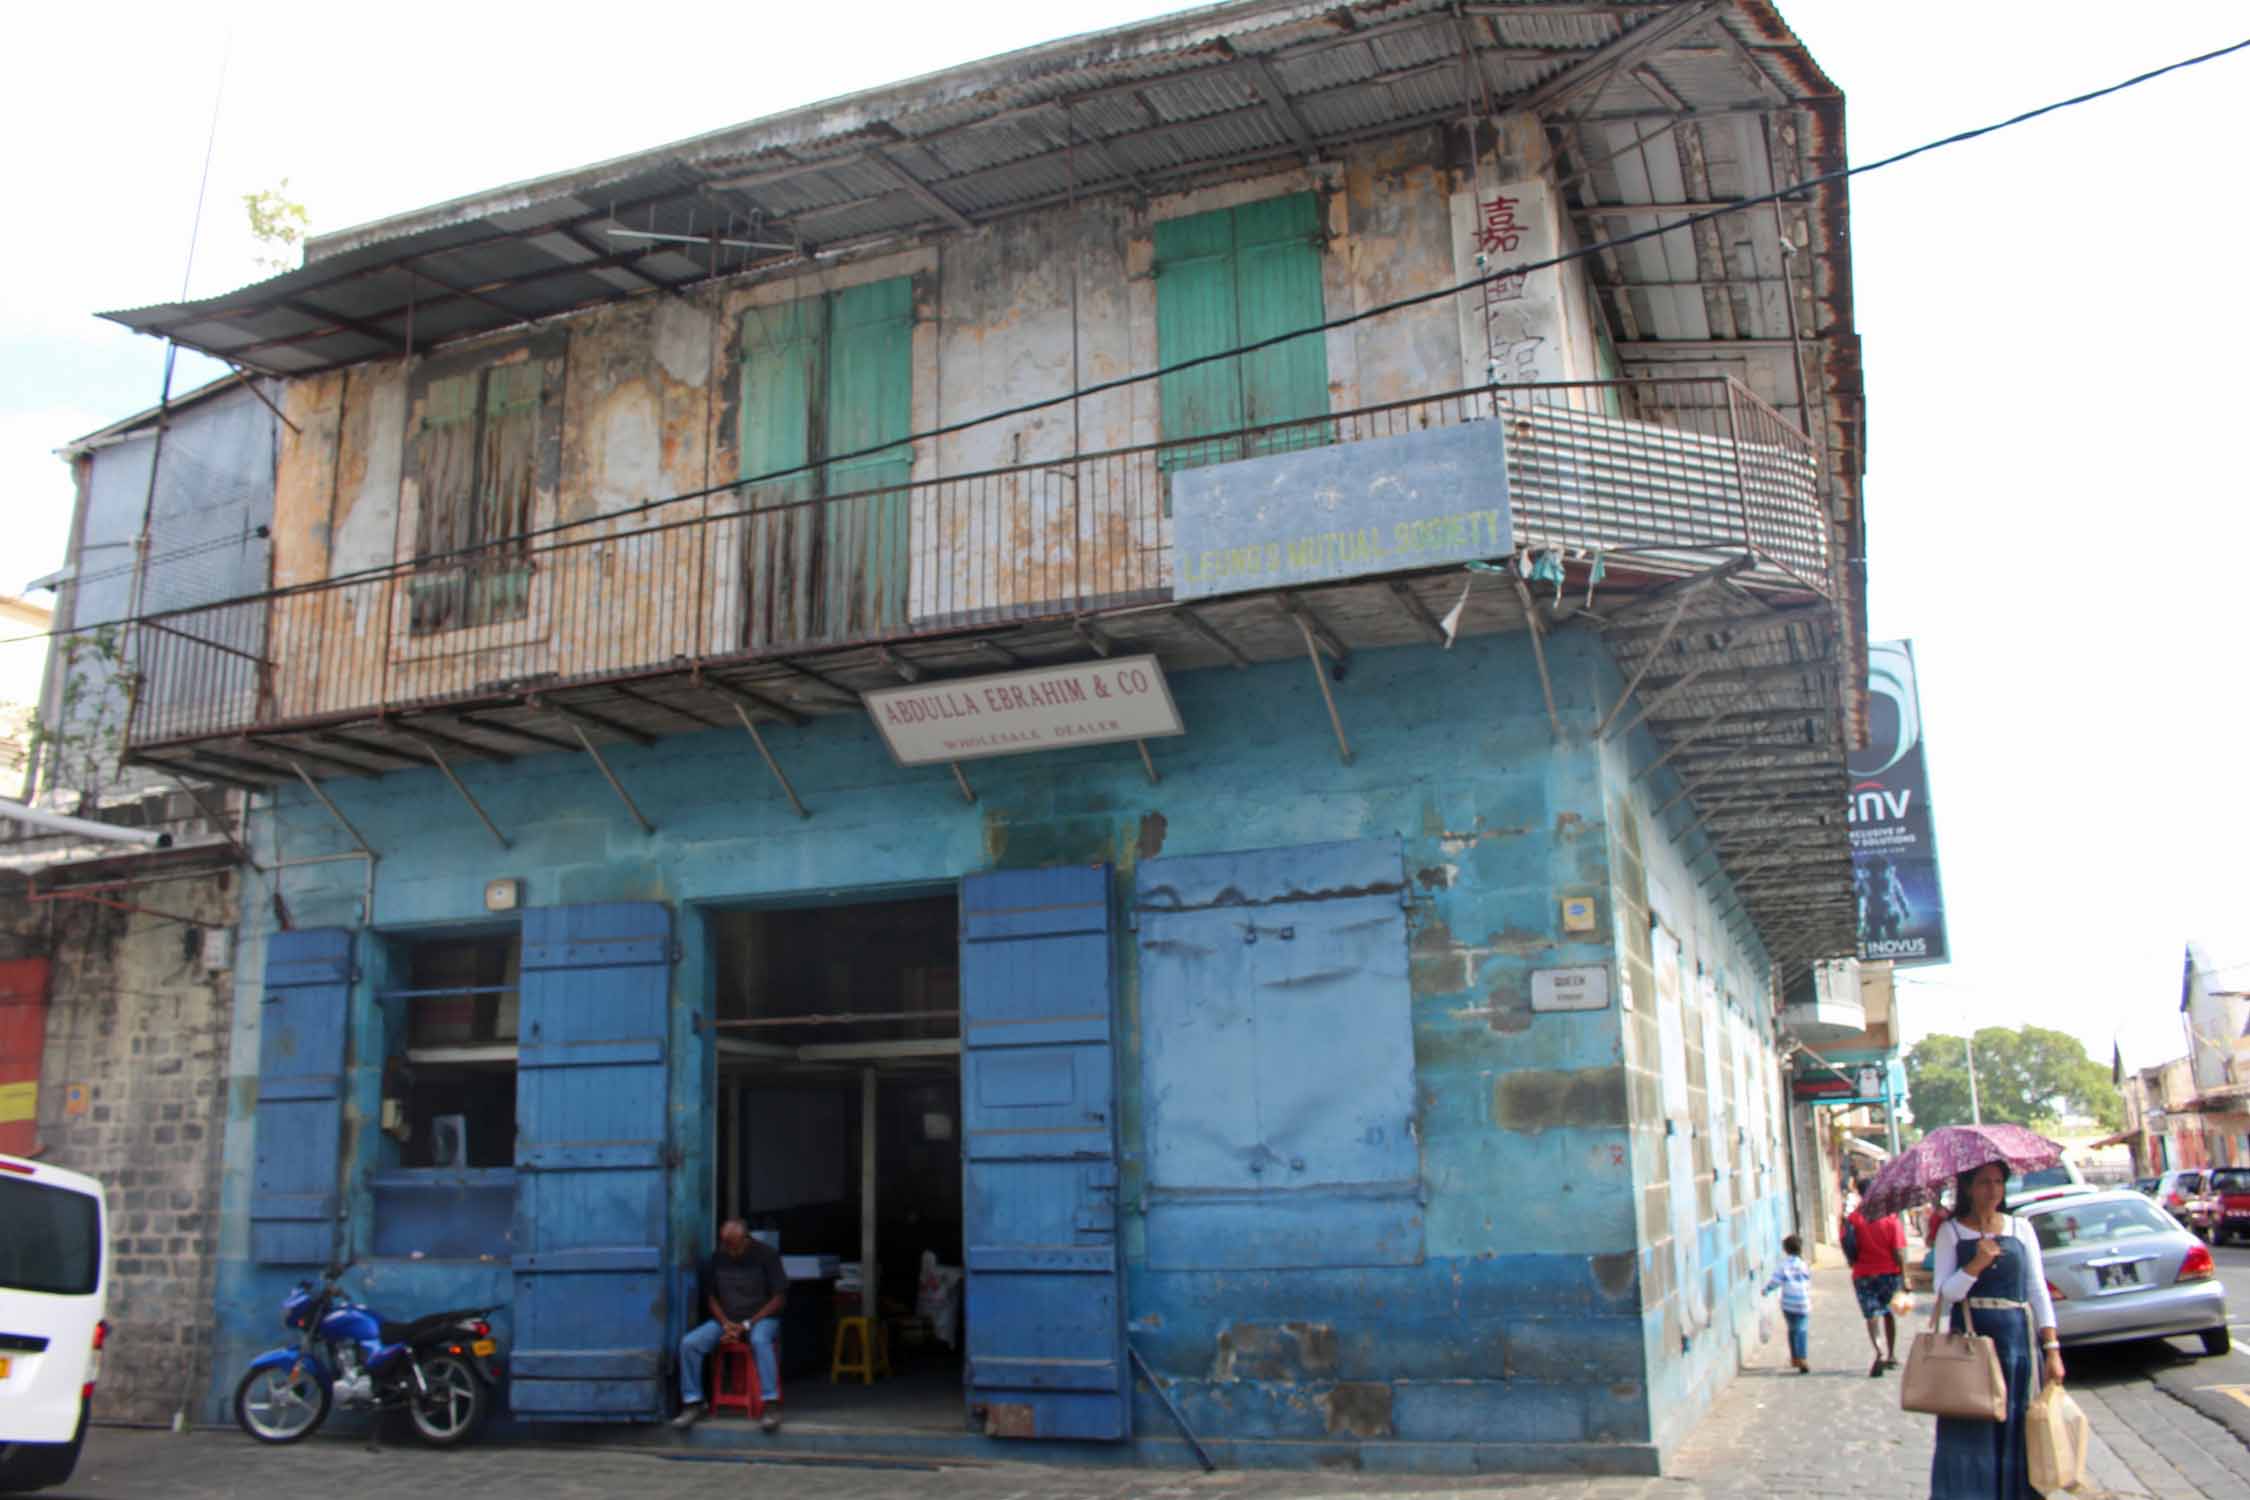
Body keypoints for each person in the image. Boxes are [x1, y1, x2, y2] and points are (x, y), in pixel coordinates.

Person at [1928, 1160, 2065, 1499]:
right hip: (1971, 1346)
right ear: (1969, 1189)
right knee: (1973, 1430)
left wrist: (2052, 1349)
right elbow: (1946, 1294)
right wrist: (1975, 1265)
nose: (1992, 1191)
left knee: (2018, 1428)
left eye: (1998, 1182)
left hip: (2016, 1344)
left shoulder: (2020, 1229)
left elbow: (2037, 1290)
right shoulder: (1952, 1232)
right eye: (1984, 1183)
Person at [673, 1219, 788, 1432]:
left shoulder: (767, 1255)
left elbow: (778, 1299)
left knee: (760, 1340)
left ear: (746, 1239)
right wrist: (726, 1323)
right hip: (726, 1321)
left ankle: (771, 1405)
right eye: (727, 1245)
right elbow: (711, 1298)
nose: (731, 1251)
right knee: (690, 1343)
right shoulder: (717, 1258)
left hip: (761, 1319)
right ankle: (693, 1402)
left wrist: (747, 1324)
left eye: (734, 1246)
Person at [1844, 1178, 1908, 1377]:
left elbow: (1848, 1247)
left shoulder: (1854, 1219)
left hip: (1863, 1274)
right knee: (1889, 1313)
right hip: (1889, 1273)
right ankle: (1891, 1354)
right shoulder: (1890, 1219)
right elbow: (1898, 1251)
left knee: (1872, 1316)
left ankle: (1878, 1351)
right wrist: (1905, 1277)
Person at [1761, 1234, 1814, 1374]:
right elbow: (1808, 1281)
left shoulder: (1783, 1266)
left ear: (1785, 1250)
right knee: (1801, 1329)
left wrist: (1766, 1290)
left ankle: (1795, 1357)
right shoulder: (1804, 1265)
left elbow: (1775, 1281)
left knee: (1792, 1329)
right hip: (1803, 1302)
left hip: (1788, 1304)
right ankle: (1802, 1358)